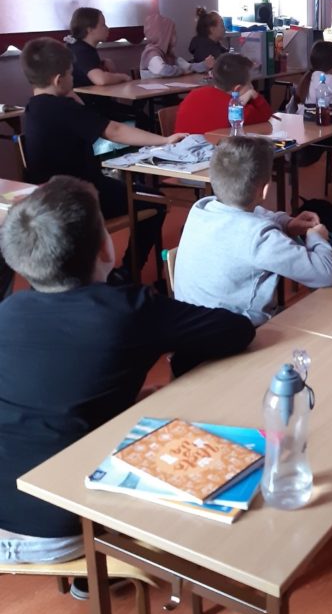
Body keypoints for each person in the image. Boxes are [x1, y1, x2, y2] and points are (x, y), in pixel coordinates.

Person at [0, 176, 254, 568]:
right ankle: (102, 569)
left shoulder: (8, 312)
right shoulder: (129, 310)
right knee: (187, 427)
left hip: (13, 510)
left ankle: (87, 580)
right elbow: (236, 331)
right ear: (106, 248)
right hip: (59, 527)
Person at [21, 38, 185, 282]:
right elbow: (114, 131)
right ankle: (128, 272)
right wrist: (164, 140)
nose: (74, 78)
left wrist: (71, 96)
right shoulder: (64, 109)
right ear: (58, 80)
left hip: (48, 196)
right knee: (155, 201)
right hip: (81, 195)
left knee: (136, 194)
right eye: (71, 74)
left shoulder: (33, 108)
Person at [174, 137, 332, 325]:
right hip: (236, 333)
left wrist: (288, 223)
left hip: (189, 327)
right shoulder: (259, 238)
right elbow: (326, 274)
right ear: (265, 190)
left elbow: (258, 215)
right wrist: (317, 239)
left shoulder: (201, 208)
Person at [175, 53, 272, 134]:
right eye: (250, 83)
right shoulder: (239, 111)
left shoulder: (193, 95)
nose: (252, 86)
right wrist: (254, 94)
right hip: (216, 151)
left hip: (180, 149)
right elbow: (267, 119)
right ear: (237, 89)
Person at [66, 7, 131, 89]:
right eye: (103, 25)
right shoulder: (81, 51)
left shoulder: (81, 47)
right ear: (89, 29)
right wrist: (122, 77)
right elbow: (100, 80)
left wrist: (103, 64)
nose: (107, 28)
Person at [140, 13, 214, 79]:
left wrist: (204, 64)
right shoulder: (151, 53)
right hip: (155, 90)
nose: (175, 37)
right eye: (172, 33)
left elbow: (189, 67)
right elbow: (164, 70)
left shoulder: (168, 55)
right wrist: (182, 71)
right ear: (164, 36)